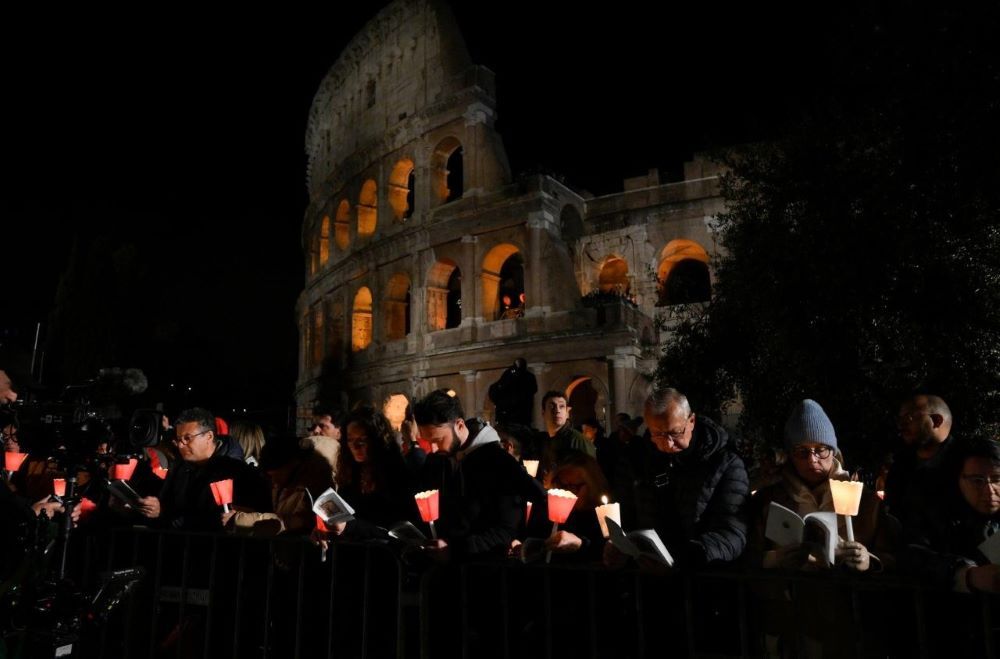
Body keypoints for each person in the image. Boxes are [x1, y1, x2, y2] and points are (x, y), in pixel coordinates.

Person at [607, 387, 748, 569]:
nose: (668, 443)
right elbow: (625, 514)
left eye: (675, 433)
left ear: (691, 421)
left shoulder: (725, 464)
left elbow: (732, 530)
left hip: (701, 574)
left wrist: (690, 556)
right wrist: (621, 547)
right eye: (657, 434)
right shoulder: (636, 461)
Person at [749, 399, 896, 572]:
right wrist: (774, 559)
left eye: (821, 449)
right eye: (801, 451)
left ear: (833, 451)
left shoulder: (866, 501)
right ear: (790, 455)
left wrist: (869, 561)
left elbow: (893, 558)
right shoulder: (767, 500)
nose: (812, 459)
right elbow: (746, 557)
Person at [413, 390, 532, 559]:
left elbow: (507, 529)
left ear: (460, 425)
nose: (433, 449)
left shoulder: (498, 462)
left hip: (483, 566)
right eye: (428, 442)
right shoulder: (438, 461)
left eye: (438, 440)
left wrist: (455, 550)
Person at [135, 407, 271, 531]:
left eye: (187, 438)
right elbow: (167, 506)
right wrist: (154, 509)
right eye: (179, 439)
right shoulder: (179, 468)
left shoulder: (237, 472)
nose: (181, 445)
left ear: (209, 436)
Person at [884, 394, 954, 521]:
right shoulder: (900, 466)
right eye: (900, 419)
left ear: (936, 420)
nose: (901, 425)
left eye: (909, 417)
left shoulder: (966, 464)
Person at [534, 391, 595, 480]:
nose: (557, 410)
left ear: (567, 413)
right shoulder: (546, 442)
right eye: (551, 406)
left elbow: (590, 476)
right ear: (543, 413)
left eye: (561, 406)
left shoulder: (576, 440)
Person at [488, 358, 537, 426]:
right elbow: (501, 385)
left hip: (522, 414)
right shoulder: (509, 374)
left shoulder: (529, 377)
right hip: (508, 415)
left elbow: (533, 390)